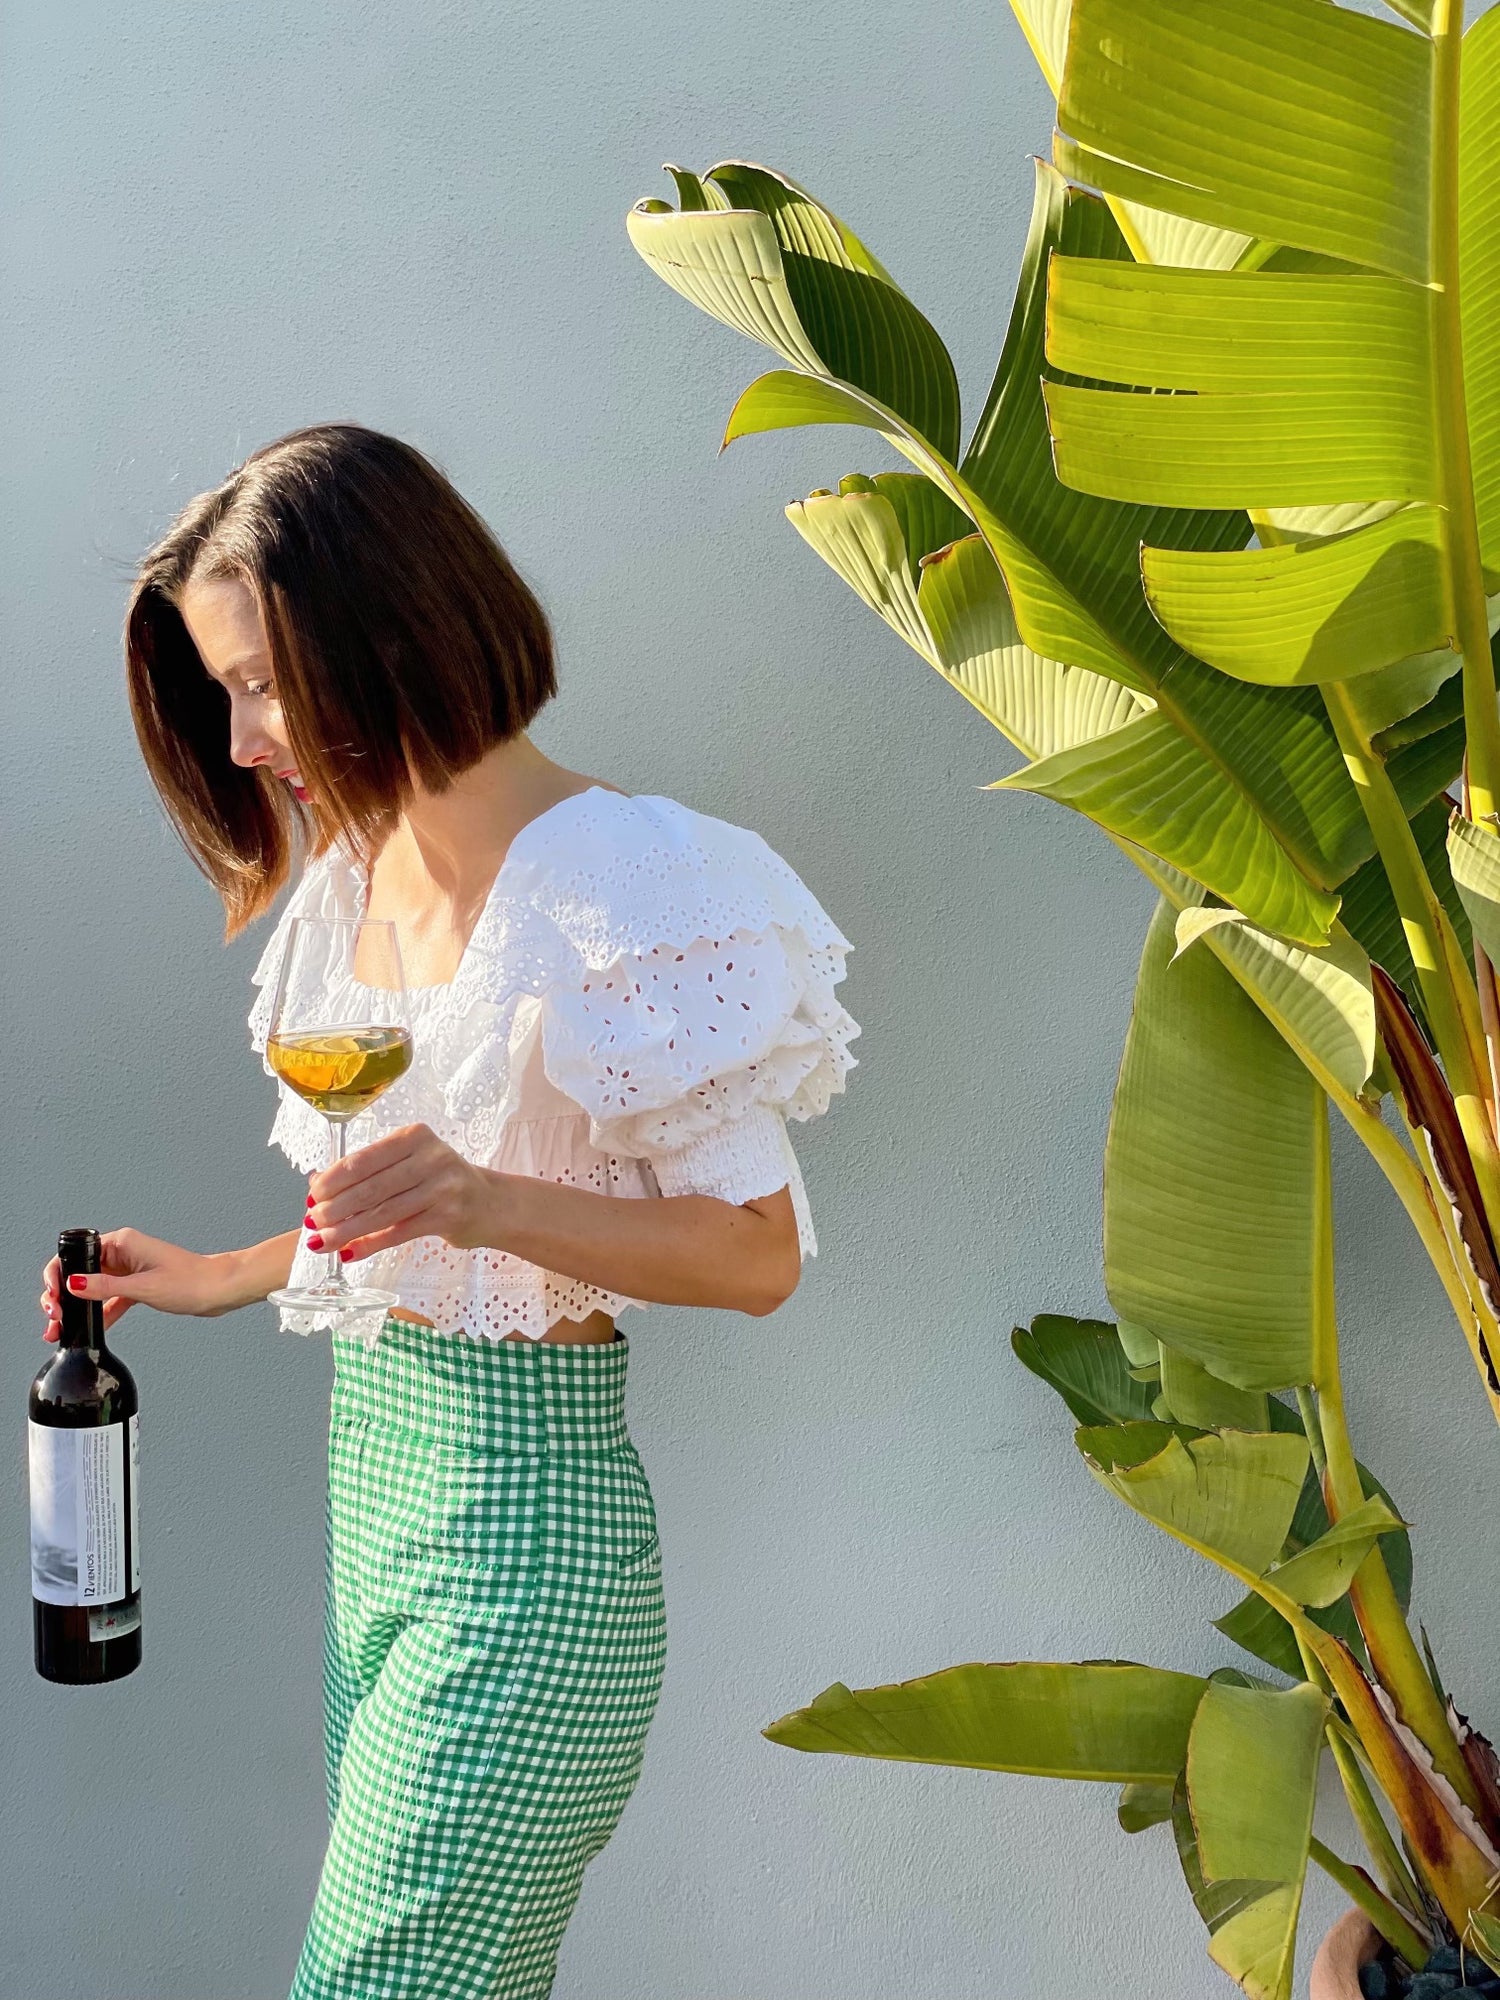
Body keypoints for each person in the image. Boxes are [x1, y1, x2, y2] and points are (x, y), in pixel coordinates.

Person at [38, 422, 860, 2000]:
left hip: (525, 1556)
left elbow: (758, 1258)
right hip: (380, 1525)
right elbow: (406, 1221)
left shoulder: (624, 880)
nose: (244, 733)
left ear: (387, 624)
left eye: (261, 681)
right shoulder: (354, 879)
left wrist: (492, 1200)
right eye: (223, 692)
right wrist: (217, 1275)